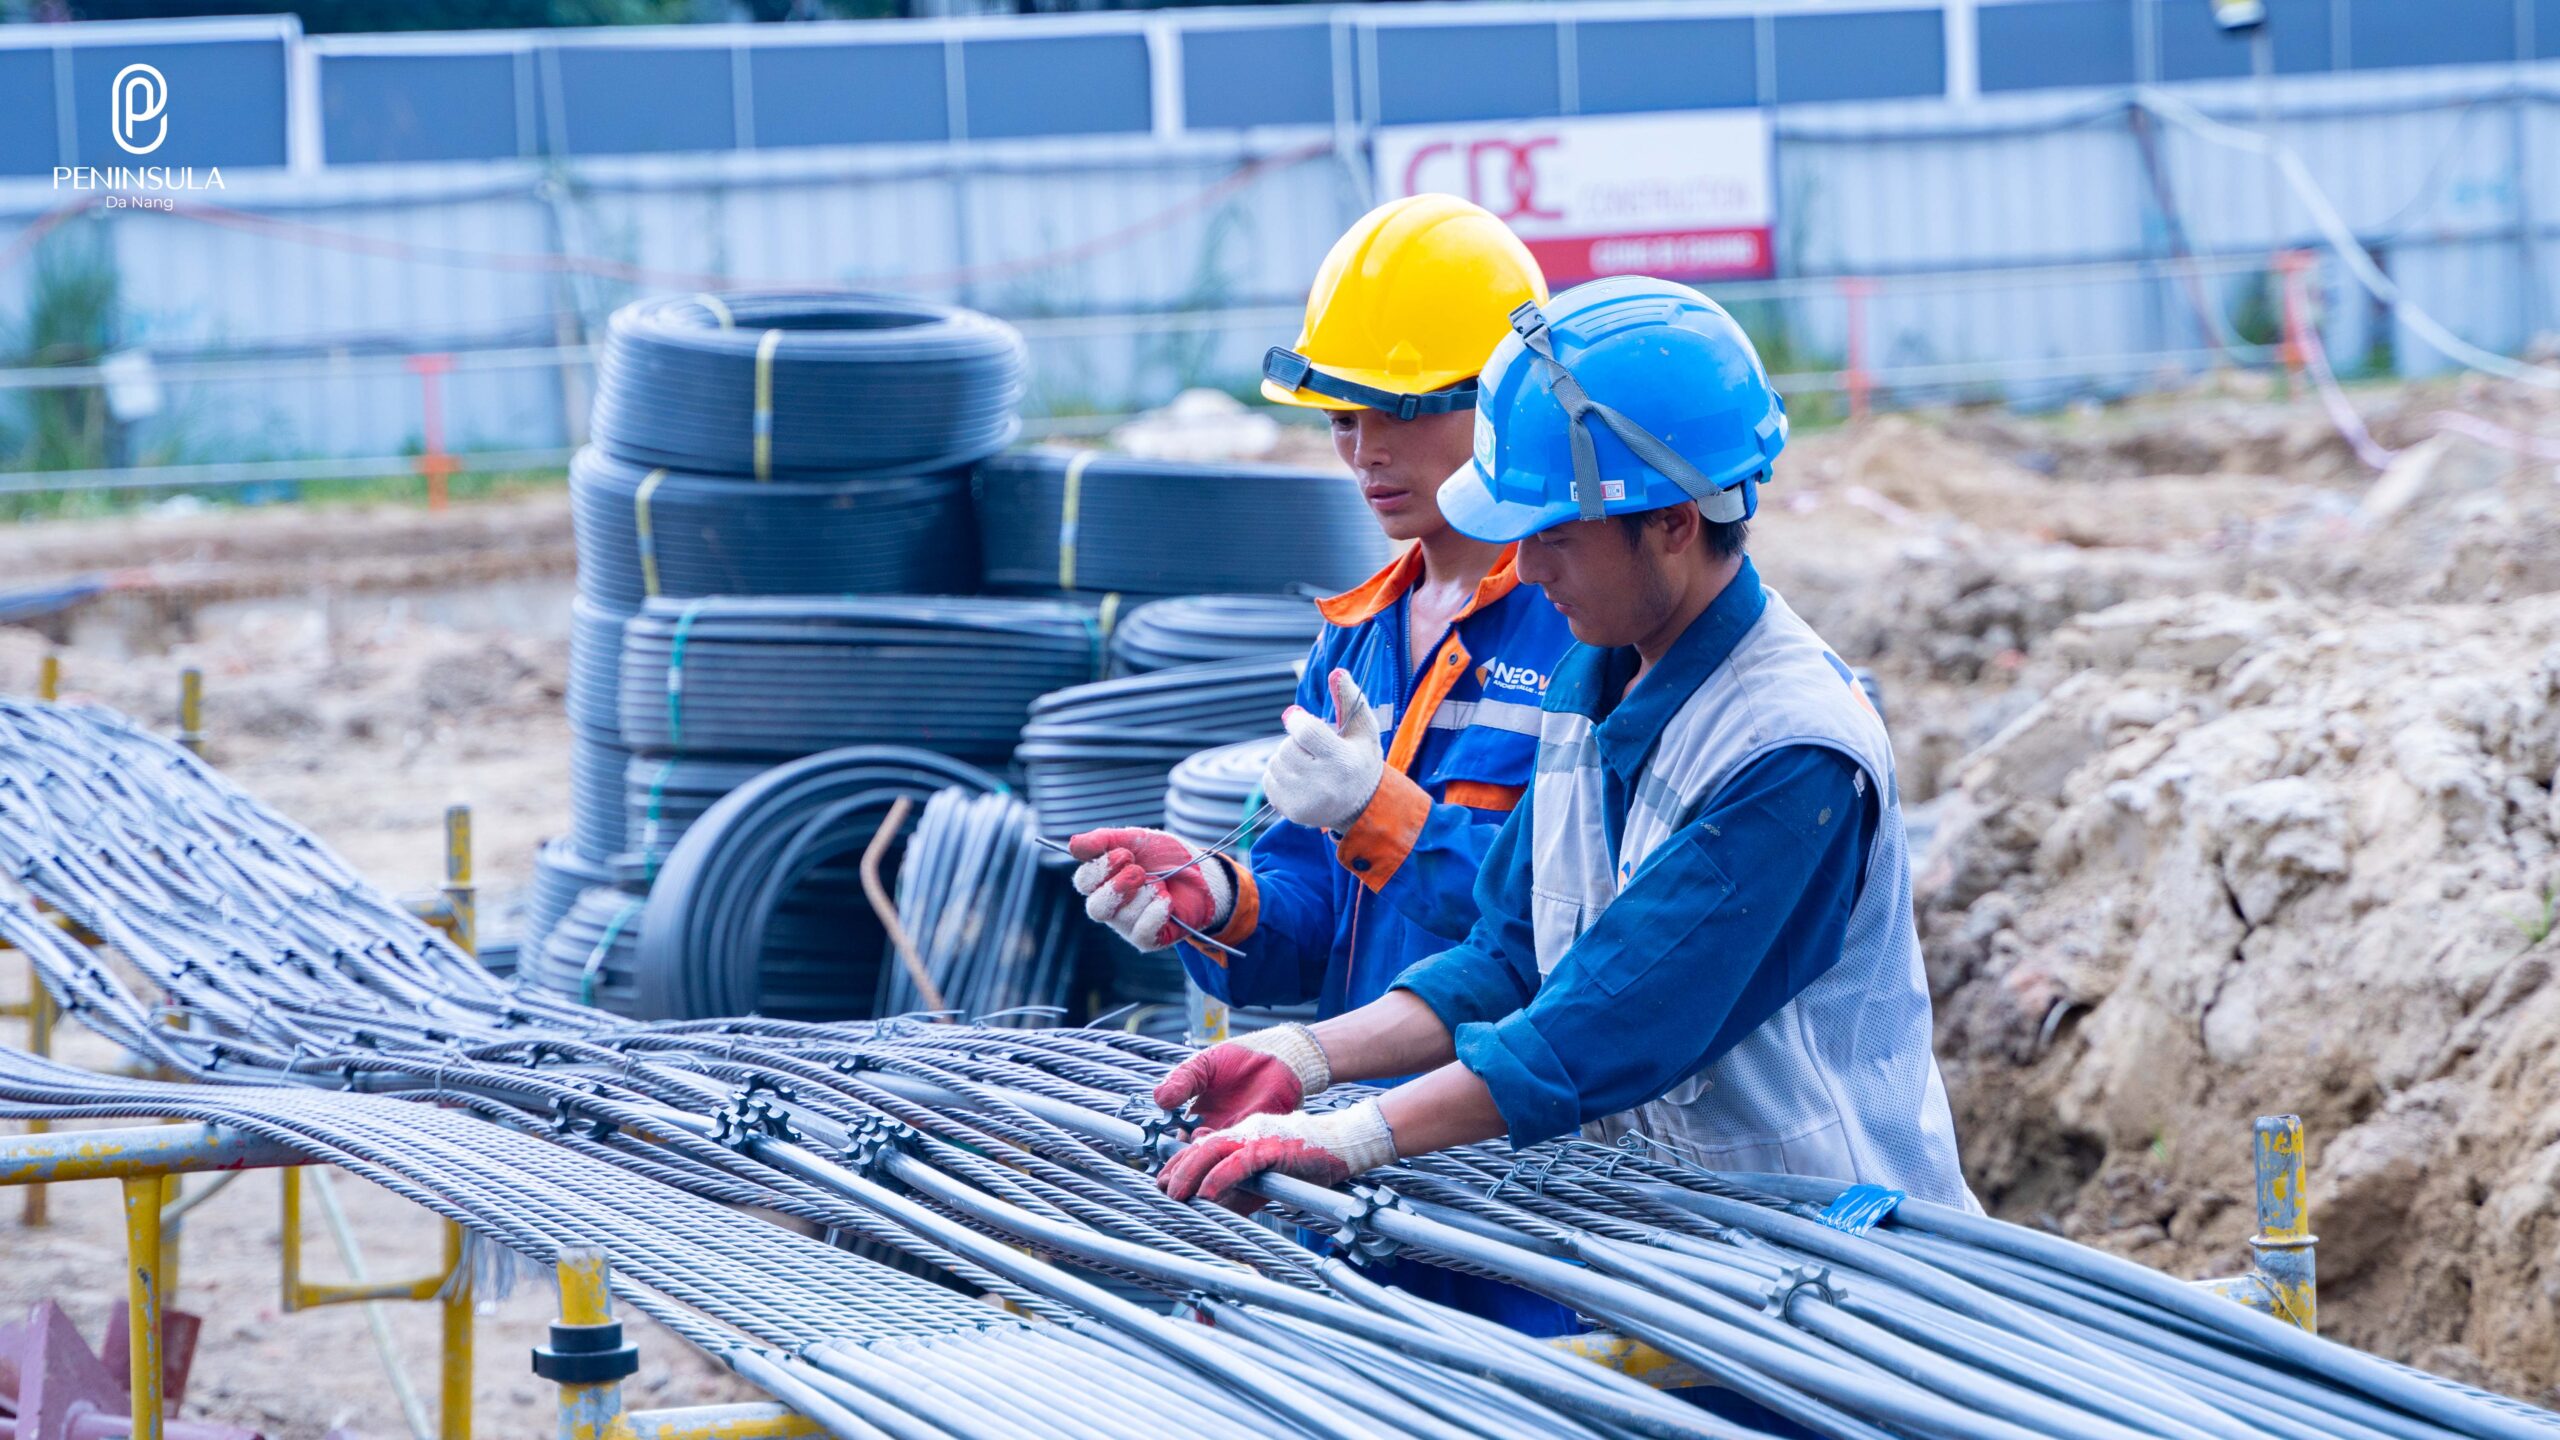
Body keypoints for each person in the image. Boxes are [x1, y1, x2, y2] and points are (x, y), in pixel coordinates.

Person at [1150, 274, 1975, 1237]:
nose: (1528, 573)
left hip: (1841, 1256)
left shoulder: (1789, 753)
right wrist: (1302, 1058)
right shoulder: (1598, 678)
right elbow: (1510, 954)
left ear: (1673, 523)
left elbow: (1605, 1021)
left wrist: (1351, 1137)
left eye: (1552, 538)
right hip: (1684, 1243)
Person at [1064, 195, 1580, 1330]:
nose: (1364, 452)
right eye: (1341, 417)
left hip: (1537, 1179)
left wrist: (1383, 815)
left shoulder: (1577, 622)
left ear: (1502, 404)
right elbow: (1308, 911)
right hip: (1358, 1157)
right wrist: (1215, 895)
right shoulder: (1356, 635)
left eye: (1395, 412)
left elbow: (1562, 929)